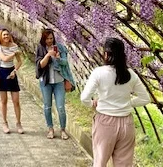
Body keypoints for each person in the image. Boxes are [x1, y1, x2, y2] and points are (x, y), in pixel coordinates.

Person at [80, 38, 151, 167]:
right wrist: (128, 103)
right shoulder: (131, 74)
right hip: (126, 124)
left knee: (100, 163)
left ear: (106, 54)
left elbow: (84, 98)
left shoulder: (99, 72)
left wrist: (93, 104)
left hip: (105, 123)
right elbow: (145, 98)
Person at [35, 29, 76, 140]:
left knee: (61, 107)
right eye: (47, 38)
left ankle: (63, 130)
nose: (49, 41)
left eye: (51, 38)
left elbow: (65, 63)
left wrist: (58, 58)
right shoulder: (40, 48)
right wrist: (48, 55)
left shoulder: (60, 47)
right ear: (44, 39)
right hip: (46, 82)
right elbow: (40, 65)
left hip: (59, 82)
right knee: (47, 107)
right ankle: (50, 129)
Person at [0, 29, 23, 134]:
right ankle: (4, 123)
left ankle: (19, 123)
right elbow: (4, 59)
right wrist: (14, 53)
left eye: (7, 34)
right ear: (0, 36)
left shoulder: (14, 46)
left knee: (16, 100)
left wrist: (14, 71)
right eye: (4, 35)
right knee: (4, 100)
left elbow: (19, 62)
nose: (6, 36)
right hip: (1, 72)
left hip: (11, 72)